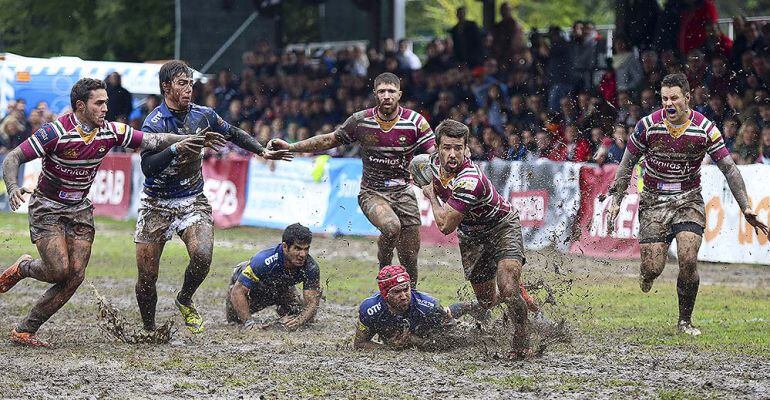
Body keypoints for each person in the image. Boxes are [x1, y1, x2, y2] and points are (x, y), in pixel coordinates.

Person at [0, 78, 225, 347]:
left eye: (106, 102)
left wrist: (191, 139)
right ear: (81, 106)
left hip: (80, 210)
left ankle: (26, 329)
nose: (106, 107)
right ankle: (23, 268)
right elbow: (13, 157)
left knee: (75, 276)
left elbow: (154, 140)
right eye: (100, 103)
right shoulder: (55, 132)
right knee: (58, 270)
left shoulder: (111, 131)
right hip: (47, 208)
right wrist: (12, 186)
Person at [135, 60, 291, 334]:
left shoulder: (203, 115)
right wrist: (178, 148)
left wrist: (261, 151)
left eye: (190, 84)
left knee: (203, 255)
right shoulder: (154, 123)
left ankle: (185, 299)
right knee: (147, 278)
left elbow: (232, 133)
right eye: (182, 84)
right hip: (155, 203)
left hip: (192, 198)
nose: (188, 89)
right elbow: (148, 167)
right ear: (166, 87)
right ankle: (149, 328)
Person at [606, 73, 769, 336]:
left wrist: (746, 206)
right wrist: (617, 197)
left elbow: (729, 168)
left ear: (687, 98)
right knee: (653, 267)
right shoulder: (647, 126)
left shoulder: (705, 128)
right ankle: (646, 275)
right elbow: (627, 164)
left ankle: (684, 321)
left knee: (688, 258)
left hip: (688, 199)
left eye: (674, 98)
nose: (669, 104)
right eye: (664, 99)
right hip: (653, 200)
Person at [268, 72, 435, 287]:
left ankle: (410, 301)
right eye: (382, 91)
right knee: (392, 227)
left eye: (391, 91)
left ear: (399, 94)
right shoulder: (360, 120)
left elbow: (434, 153)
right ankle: (384, 267)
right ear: (375, 94)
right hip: (372, 193)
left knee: (410, 259)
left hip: (404, 193)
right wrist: (292, 147)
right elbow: (330, 139)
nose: (386, 96)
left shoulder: (415, 122)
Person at [416, 119, 535, 359]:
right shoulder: (427, 164)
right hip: (471, 236)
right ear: (437, 148)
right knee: (487, 300)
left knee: (508, 288)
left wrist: (431, 196)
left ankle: (522, 340)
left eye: (458, 148)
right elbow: (414, 166)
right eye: (447, 147)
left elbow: (445, 226)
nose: (452, 154)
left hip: (501, 225)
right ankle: (516, 290)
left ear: (466, 149)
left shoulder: (469, 178)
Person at [354, 265, 485, 350]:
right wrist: (390, 349)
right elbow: (359, 344)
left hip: (428, 326)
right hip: (411, 324)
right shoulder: (370, 310)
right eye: (397, 292)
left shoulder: (427, 306)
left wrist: (414, 342)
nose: (404, 296)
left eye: (406, 289)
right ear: (385, 294)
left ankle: (472, 306)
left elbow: (449, 340)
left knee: (467, 338)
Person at [225, 223, 321, 331]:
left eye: (306, 249)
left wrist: (299, 321)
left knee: (303, 317)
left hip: (281, 287)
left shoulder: (311, 267)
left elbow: (312, 303)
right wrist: (249, 323)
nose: (303, 254)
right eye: (298, 248)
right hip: (253, 287)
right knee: (236, 320)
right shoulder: (263, 261)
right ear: (285, 247)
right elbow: (237, 292)